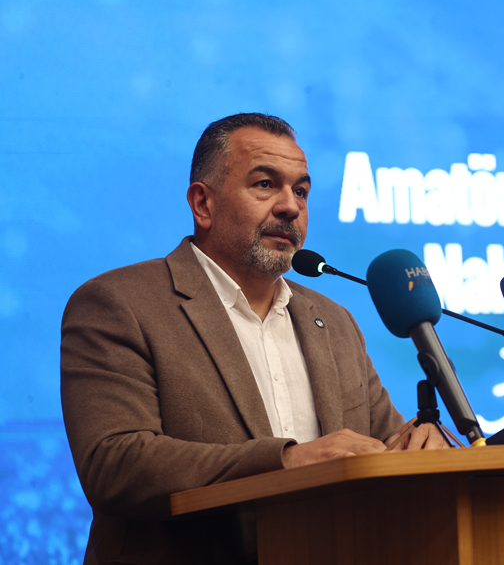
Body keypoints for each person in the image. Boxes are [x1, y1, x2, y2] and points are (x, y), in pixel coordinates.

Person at [61, 113, 447, 564]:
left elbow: (381, 443)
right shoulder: (120, 304)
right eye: (265, 184)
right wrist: (287, 460)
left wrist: (416, 445)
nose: (290, 207)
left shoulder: (334, 321)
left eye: (301, 191)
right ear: (202, 204)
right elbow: (115, 464)